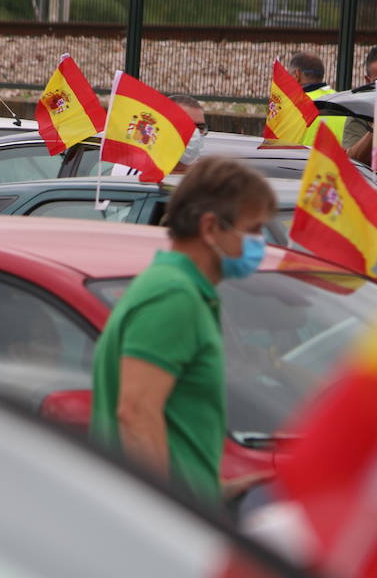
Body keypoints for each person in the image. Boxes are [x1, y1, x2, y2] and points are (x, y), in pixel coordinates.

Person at [89, 157, 277, 501]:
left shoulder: (181, 289)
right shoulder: (173, 295)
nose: (260, 242)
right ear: (209, 228)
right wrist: (174, 517)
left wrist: (217, 492)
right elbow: (136, 415)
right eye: (252, 230)